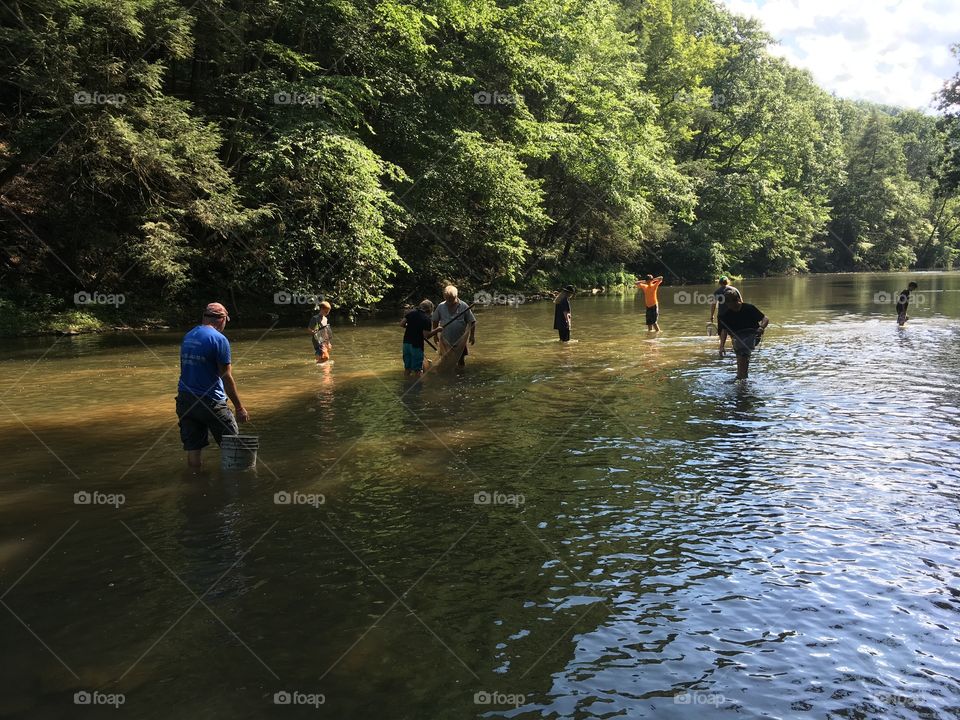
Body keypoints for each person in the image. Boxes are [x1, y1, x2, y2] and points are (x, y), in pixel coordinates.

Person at [176, 302, 249, 468]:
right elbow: (226, 376)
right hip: (210, 401)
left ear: (204, 317)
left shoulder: (189, 336)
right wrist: (239, 407)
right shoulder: (219, 339)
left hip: (185, 399)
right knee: (233, 447)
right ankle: (236, 489)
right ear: (222, 319)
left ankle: (196, 484)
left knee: (193, 449)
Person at [719, 290, 769, 381]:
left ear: (738, 300)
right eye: (729, 305)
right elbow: (724, 331)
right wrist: (721, 346)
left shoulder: (749, 308)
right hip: (737, 339)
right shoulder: (727, 314)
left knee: (743, 354)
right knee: (741, 356)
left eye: (734, 305)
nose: (732, 308)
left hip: (753, 337)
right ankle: (741, 378)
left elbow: (765, 319)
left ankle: (741, 379)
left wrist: (761, 328)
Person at [432, 285, 476, 366]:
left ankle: (460, 376)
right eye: (447, 299)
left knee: (461, 360)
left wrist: (472, 336)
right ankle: (448, 376)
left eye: (451, 299)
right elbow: (435, 320)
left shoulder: (463, 306)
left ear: (456, 296)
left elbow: (472, 321)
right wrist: (435, 335)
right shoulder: (441, 306)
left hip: (460, 341)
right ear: (444, 297)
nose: (449, 301)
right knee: (445, 360)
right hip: (445, 339)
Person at [401, 300, 443, 375]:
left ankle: (406, 385)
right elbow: (426, 336)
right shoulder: (426, 320)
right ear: (430, 309)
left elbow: (402, 324)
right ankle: (418, 386)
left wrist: (411, 327)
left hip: (406, 344)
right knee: (418, 370)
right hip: (416, 346)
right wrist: (437, 330)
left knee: (407, 368)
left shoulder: (411, 313)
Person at [710, 276, 740, 355]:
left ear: (719, 283)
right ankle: (735, 347)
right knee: (734, 332)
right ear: (728, 282)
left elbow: (713, 304)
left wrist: (712, 315)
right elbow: (741, 302)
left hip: (722, 315)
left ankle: (721, 347)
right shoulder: (735, 290)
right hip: (734, 314)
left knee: (722, 331)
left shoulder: (717, 291)